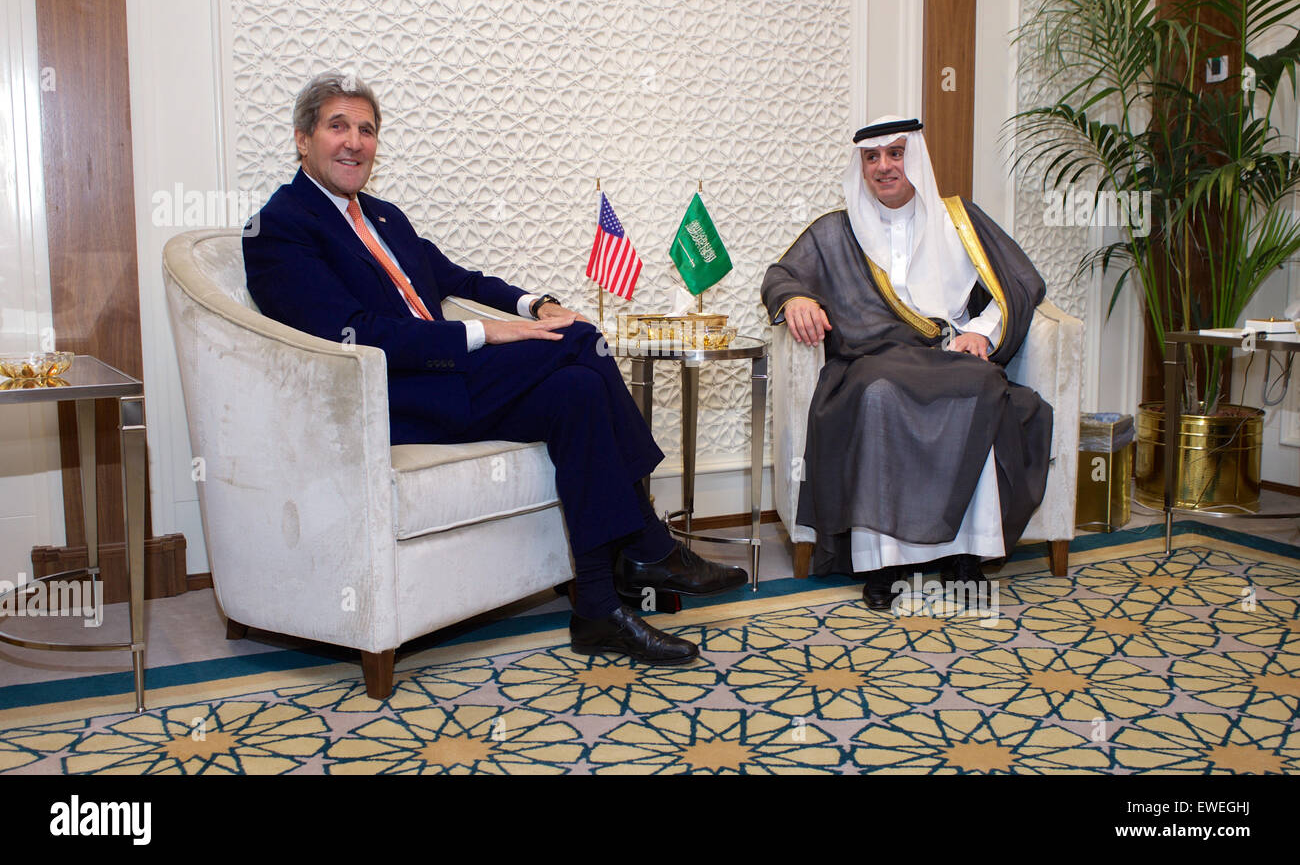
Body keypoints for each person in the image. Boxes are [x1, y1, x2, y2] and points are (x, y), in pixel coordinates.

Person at [243, 71, 746, 662]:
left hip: (449, 382)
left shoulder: (382, 217)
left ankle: (597, 607)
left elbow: (459, 278)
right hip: (393, 395)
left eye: (367, 130)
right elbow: (349, 332)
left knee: (580, 389)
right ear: (303, 139)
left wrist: (535, 303)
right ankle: (651, 545)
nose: (354, 142)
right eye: (338, 127)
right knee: (582, 342)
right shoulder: (280, 226)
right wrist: (486, 333)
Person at [761, 116, 1053, 609]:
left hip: (943, 356)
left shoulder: (959, 220)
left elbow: (1022, 282)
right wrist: (794, 300)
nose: (883, 166)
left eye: (895, 154)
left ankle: (969, 556)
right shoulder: (837, 231)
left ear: (913, 157)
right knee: (879, 394)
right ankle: (884, 564)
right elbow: (781, 274)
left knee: (981, 388)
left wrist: (979, 333)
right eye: (872, 158)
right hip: (868, 361)